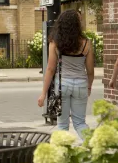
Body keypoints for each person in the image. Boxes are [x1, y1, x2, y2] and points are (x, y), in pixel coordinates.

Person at [37, 9, 95, 139]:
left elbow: (50, 69)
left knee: (62, 125)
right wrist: (89, 86)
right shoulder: (86, 43)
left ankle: (61, 152)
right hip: (81, 85)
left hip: (62, 85)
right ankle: (93, 146)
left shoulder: (55, 43)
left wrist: (43, 94)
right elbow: (90, 71)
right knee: (80, 123)